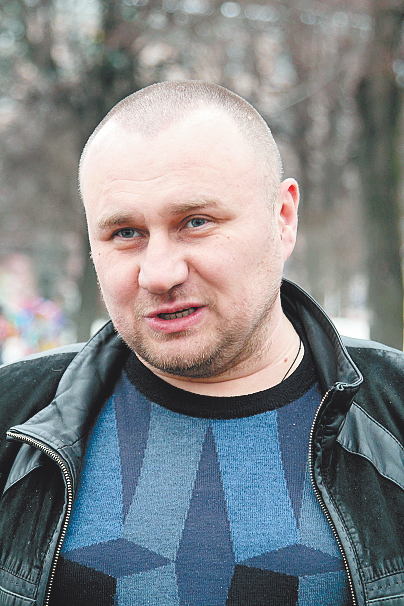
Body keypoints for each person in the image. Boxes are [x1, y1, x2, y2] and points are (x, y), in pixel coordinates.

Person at [0, 81, 403, 606]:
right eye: (125, 233)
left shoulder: (393, 413)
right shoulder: (15, 417)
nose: (159, 273)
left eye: (195, 222)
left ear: (283, 218)